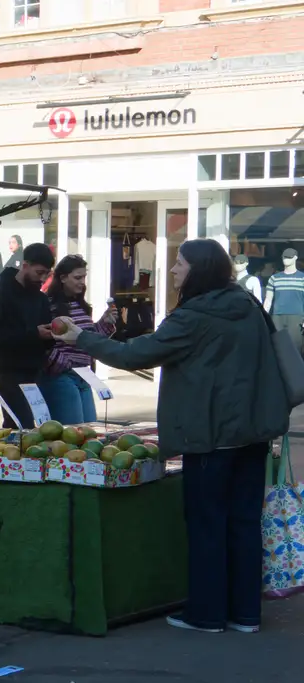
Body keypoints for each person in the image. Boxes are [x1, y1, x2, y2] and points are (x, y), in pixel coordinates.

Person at [55, 239, 288, 633]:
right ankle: (245, 614)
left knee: (207, 524)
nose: (174, 270)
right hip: (254, 432)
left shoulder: (194, 315)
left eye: (180, 264)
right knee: (244, 522)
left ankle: (208, 614)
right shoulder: (247, 305)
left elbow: (135, 355)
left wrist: (81, 338)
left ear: (200, 270)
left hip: (210, 434)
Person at [0, 243, 56, 428]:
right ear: (25, 266)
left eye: (47, 273)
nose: (43, 278)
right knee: (19, 425)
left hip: (35, 371)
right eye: (39, 272)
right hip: (7, 371)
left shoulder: (40, 299)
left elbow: (46, 335)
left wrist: (52, 335)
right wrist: (34, 335)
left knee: (40, 426)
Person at [37, 255, 117, 424]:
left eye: (84, 277)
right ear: (63, 278)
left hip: (83, 375)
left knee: (89, 431)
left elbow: (88, 338)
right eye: (77, 277)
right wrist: (63, 362)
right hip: (61, 376)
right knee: (73, 433)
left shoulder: (81, 305)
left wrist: (106, 322)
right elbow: (41, 342)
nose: (82, 282)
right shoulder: (48, 305)